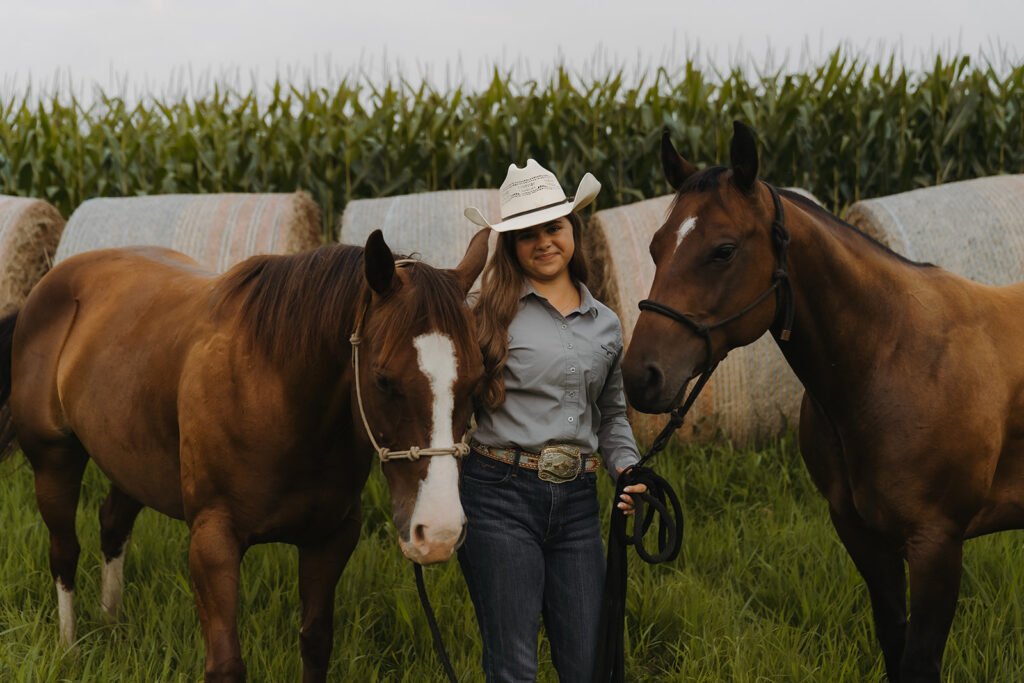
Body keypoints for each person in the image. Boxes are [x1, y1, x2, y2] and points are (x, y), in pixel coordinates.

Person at [460, 159, 647, 682]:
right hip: (498, 496)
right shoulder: (486, 316)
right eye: (527, 234)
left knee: (589, 664)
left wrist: (627, 471)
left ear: (573, 231)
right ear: (512, 246)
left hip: (579, 506)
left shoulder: (606, 324)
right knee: (514, 666)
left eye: (554, 227)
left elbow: (610, 416)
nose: (543, 242)